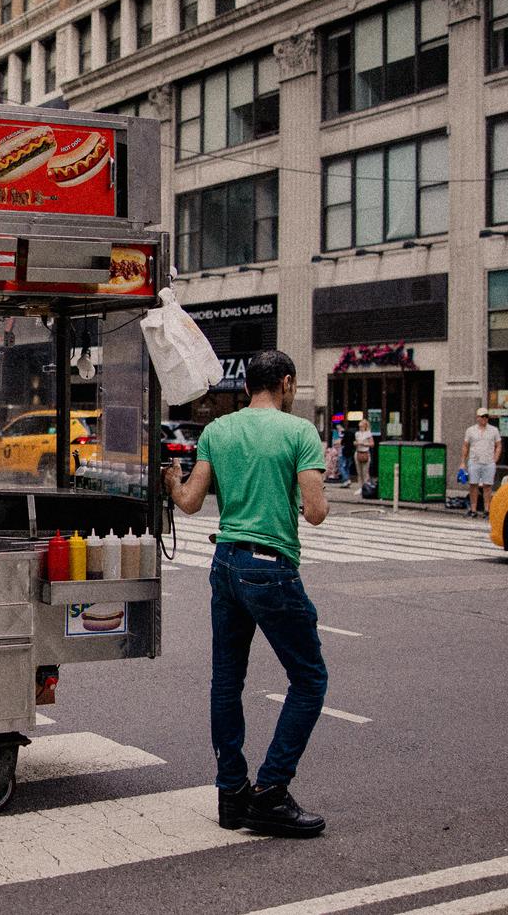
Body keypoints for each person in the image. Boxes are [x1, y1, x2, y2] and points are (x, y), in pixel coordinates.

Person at [163, 350, 330, 838]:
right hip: (271, 568)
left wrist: (173, 483)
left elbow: (190, 503)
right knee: (309, 679)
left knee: (226, 681)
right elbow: (316, 511)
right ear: (287, 383)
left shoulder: (217, 430)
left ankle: (231, 795)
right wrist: (303, 494)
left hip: (226, 564)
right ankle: (272, 792)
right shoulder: (299, 433)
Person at [461, 408, 503, 518]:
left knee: (487, 486)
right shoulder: (470, 430)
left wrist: (495, 458)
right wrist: (462, 462)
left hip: (488, 462)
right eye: (482, 416)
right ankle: (473, 510)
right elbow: (466, 446)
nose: (484, 418)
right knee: (473, 485)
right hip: (474, 461)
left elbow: (498, 445)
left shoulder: (494, 430)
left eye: (486, 416)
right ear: (477, 418)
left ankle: (487, 510)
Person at [354, 419, 374, 485]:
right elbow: (356, 442)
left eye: (362, 426)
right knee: (359, 472)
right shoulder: (357, 433)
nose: (360, 428)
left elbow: (372, 444)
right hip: (358, 452)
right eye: (359, 427)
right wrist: (355, 443)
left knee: (365, 472)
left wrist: (363, 443)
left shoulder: (368, 434)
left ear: (365, 426)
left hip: (365, 453)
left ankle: (365, 486)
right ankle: (360, 486)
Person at [340, 421, 357, 486]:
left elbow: (342, 442)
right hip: (351, 451)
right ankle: (346, 480)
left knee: (342, 466)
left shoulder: (346, 433)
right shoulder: (354, 433)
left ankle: (346, 479)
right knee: (347, 467)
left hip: (345, 451)